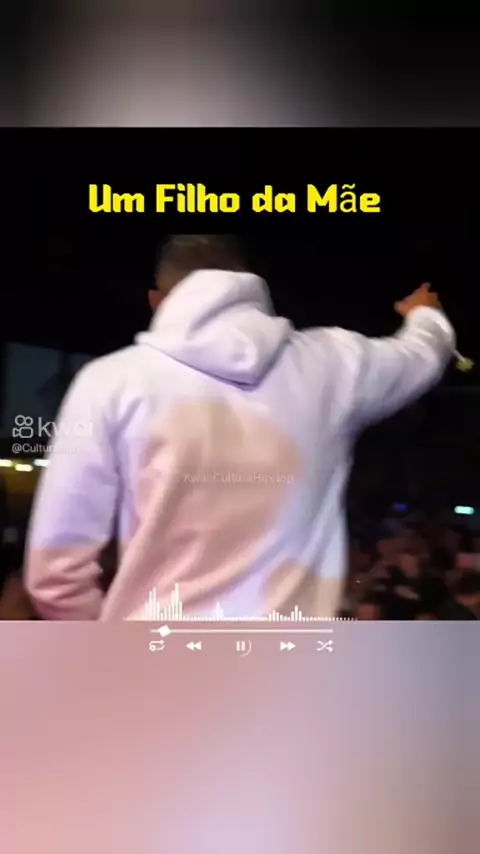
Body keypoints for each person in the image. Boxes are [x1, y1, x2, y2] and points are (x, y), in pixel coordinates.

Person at [24, 236, 456, 620]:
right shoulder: (333, 364)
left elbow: (55, 572)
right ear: (251, 290)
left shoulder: (109, 382)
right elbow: (423, 355)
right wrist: (426, 315)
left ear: (158, 301)